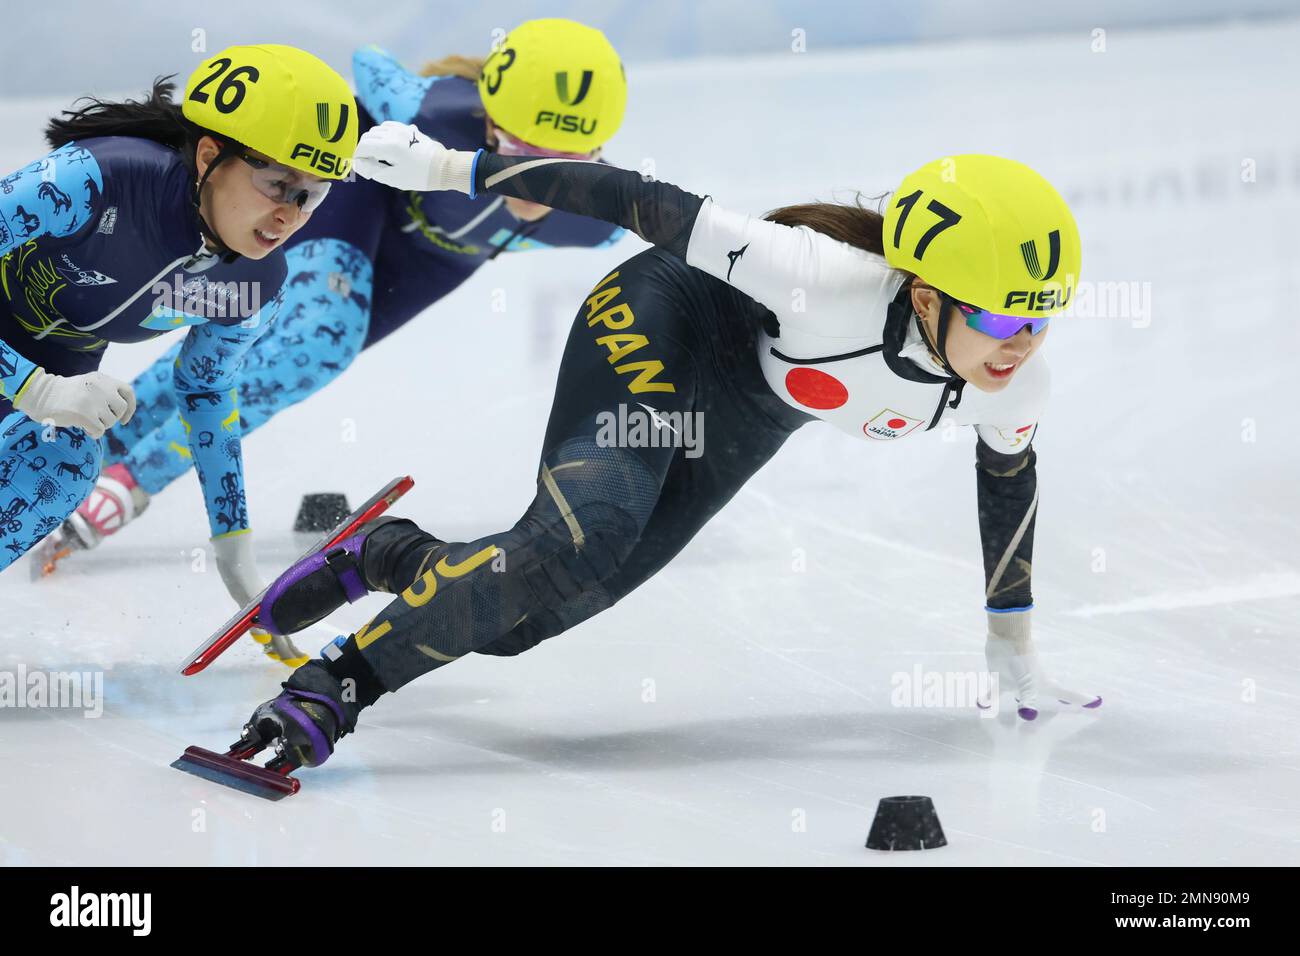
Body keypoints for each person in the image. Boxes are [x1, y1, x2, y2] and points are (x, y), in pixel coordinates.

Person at [224, 135, 1101, 772]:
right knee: (580, 538)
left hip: (749, 407)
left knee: (522, 621)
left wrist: (1013, 649)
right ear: (922, 294)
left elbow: (1009, 488)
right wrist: (450, 169)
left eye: (1039, 319)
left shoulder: (1017, 385)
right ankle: (337, 685)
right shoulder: (812, 276)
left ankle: (383, 551)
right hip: (666, 318)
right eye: (995, 316)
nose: (1020, 344)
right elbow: (629, 196)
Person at [58, 20, 627, 666]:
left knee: (269, 355)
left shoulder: (598, 220)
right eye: (519, 151)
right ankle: (129, 477)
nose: (533, 180)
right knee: (316, 345)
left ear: (598, 153)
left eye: (563, 165)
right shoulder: (431, 112)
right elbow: (368, 59)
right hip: (362, 198)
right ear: (492, 122)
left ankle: (104, 444)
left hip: (431, 259)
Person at [0, 43, 358, 619]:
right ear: (210, 155)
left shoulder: (258, 279)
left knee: (67, 459)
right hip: (26, 378)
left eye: (311, 195)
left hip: (38, 383)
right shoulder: (96, 179)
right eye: (277, 184)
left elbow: (206, 389)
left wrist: (234, 550)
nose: (289, 215)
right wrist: (34, 388)